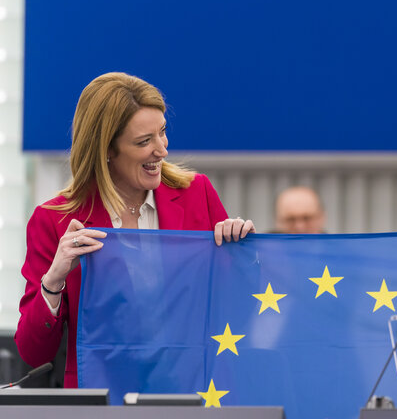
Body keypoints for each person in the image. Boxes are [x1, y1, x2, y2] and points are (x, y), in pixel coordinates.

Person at [14, 72, 256, 388]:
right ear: (106, 150)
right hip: (104, 399)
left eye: (163, 133)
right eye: (144, 141)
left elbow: (240, 308)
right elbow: (33, 352)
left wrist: (244, 254)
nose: (162, 150)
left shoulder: (198, 193)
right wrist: (54, 279)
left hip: (195, 391)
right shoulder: (54, 220)